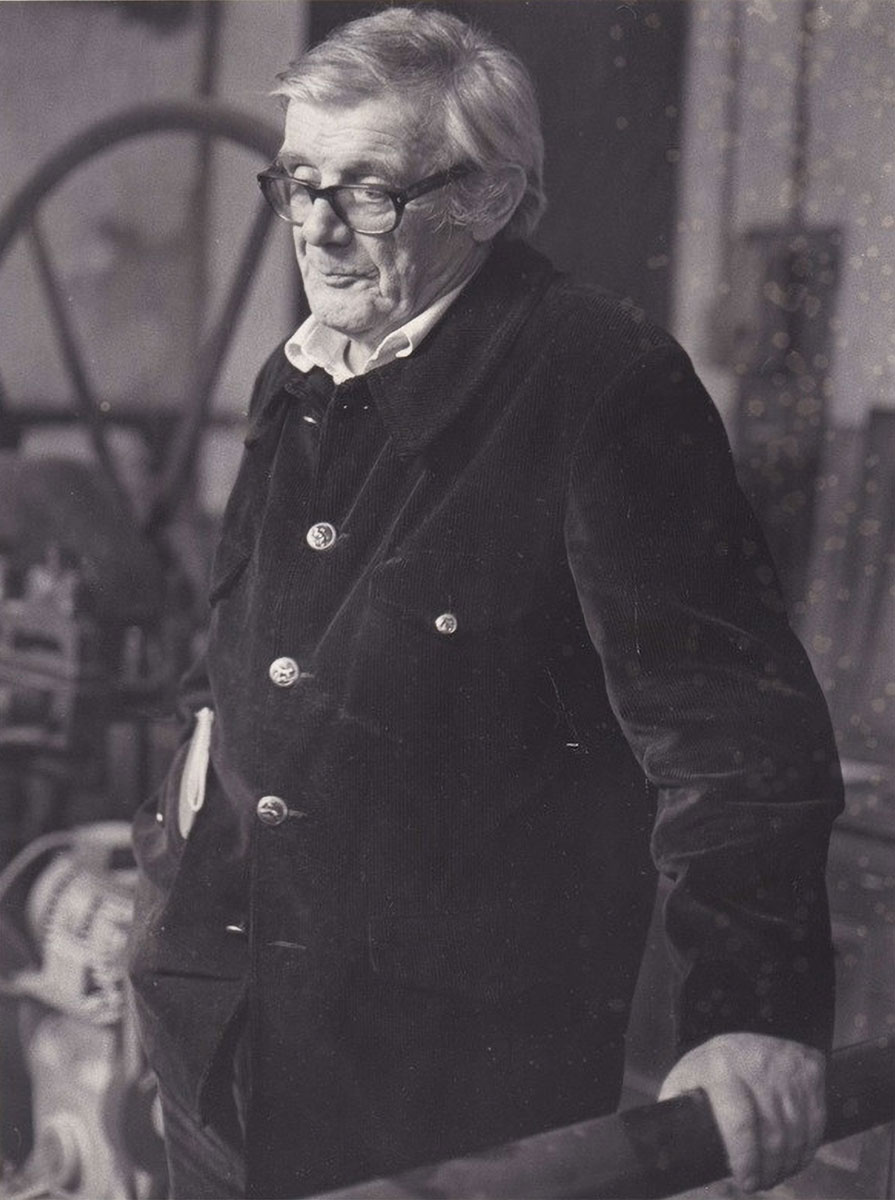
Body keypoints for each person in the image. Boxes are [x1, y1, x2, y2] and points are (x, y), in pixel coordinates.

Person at [127, 8, 843, 1199]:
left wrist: (749, 1013)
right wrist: (173, 854)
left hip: (436, 1089)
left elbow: (731, 733)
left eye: (368, 193)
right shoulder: (296, 370)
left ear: (490, 198)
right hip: (219, 1036)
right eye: (297, 182)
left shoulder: (600, 384)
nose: (315, 228)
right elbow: (248, 652)